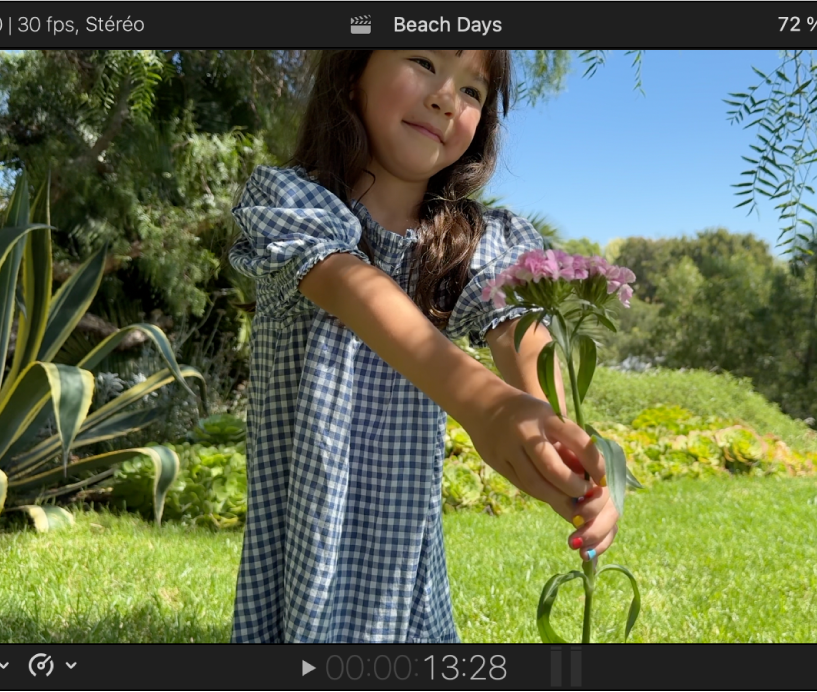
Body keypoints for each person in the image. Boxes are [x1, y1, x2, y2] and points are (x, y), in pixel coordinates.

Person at [227, 50, 620, 643]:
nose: (446, 98)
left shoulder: (472, 242)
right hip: (302, 549)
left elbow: (520, 321)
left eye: (473, 92)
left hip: (404, 564)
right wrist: (487, 404)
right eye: (422, 60)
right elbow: (351, 286)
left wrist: (561, 445)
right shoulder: (292, 204)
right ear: (352, 71)